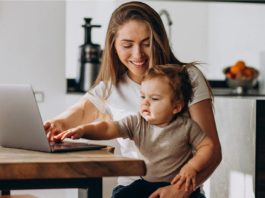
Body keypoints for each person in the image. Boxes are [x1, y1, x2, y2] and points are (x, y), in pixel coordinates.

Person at [44, 1, 222, 197]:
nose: (138, 54)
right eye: (127, 45)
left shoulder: (187, 78)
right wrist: (54, 125)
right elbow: (74, 116)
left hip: (182, 190)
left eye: (147, 44)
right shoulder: (109, 88)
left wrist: (179, 190)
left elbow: (212, 151)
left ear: (160, 41)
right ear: (113, 46)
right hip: (132, 188)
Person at [54, 64, 214, 198]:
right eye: (143, 97)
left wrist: (192, 167)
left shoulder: (187, 126)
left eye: (155, 99)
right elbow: (108, 127)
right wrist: (83, 131)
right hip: (145, 182)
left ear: (176, 106)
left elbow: (208, 146)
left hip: (177, 184)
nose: (146, 103)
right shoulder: (137, 122)